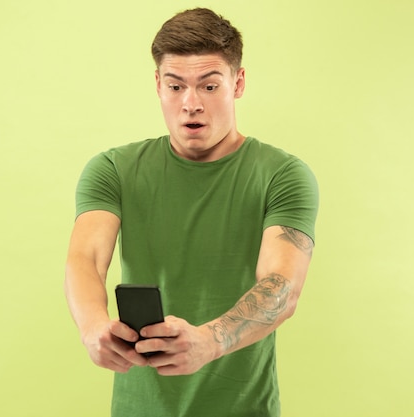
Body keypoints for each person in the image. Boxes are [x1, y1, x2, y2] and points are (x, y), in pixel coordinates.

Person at [64, 7, 319, 417]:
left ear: (238, 83)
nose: (191, 104)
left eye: (209, 86)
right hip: (139, 407)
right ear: (158, 85)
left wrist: (210, 341)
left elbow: (282, 285)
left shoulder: (283, 174)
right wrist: (93, 325)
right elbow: (86, 259)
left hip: (244, 408)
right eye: (176, 86)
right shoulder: (113, 168)